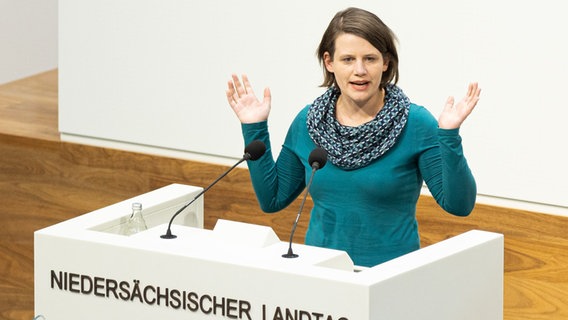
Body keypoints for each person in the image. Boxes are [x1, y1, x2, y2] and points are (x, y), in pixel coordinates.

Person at [225, 7, 480, 267]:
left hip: (390, 276)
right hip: (321, 272)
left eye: (369, 58)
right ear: (329, 62)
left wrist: (449, 136)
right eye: (348, 59)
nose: (360, 70)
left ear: (386, 62)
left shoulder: (416, 123)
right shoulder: (309, 123)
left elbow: (459, 205)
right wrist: (254, 127)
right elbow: (272, 199)